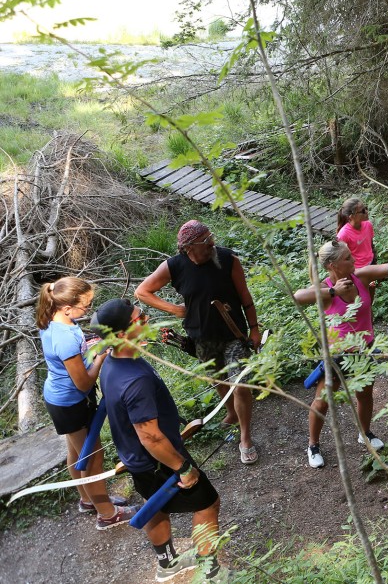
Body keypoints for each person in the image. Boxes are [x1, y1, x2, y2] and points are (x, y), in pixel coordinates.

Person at [93, 299, 224, 582]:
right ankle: (209, 570)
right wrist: (183, 469)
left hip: (138, 461)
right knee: (208, 504)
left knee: (156, 507)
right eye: (141, 318)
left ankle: (168, 565)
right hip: (160, 460)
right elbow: (150, 436)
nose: (148, 320)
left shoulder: (113, 362)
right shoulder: (134, 379)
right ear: (122, 334)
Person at [292, 238, 388, 468]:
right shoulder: (325, 290)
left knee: (365, 395)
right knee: (323, 401)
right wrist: (333, 291)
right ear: (333, 266)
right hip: (338, 356)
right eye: (347, 258)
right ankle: (313, 444)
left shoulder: (362, 276)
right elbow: (297, 296)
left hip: (364, 350)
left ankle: (364, 433)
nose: (353, 259)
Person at [135, 220, 261, 465]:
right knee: (216, 378)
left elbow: (245, 296)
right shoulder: (174, 266)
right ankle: (232, 412)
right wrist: (173, 309)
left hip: (234, 334)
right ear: (189, 247)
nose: (211, 243)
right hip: (200, 336)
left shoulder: (228, 259)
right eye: (205, 241)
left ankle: (245, 437)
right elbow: (142, 291)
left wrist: (254, 329)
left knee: (241, 384)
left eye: (210, 237)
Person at [36, 276, 136, 530]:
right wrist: (101, 355)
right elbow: (83, 383)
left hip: (59, 398)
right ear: (67, 307)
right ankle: (107, 514)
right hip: (71, 403)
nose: (88, 310)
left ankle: (87, 499)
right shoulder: (65, 338)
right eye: (85, 305)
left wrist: (89, 349)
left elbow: (72, 360)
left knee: (76, 453)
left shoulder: (52, 321)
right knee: (93, 457)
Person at [336, 197, 375, 269]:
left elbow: (371, 245)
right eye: (362, 211)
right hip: (357, 270)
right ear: (351, 216)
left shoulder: (368, 225)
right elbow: (340, 258)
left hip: (371, 263)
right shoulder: (343, 234)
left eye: (366, 208)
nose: (366, 212)